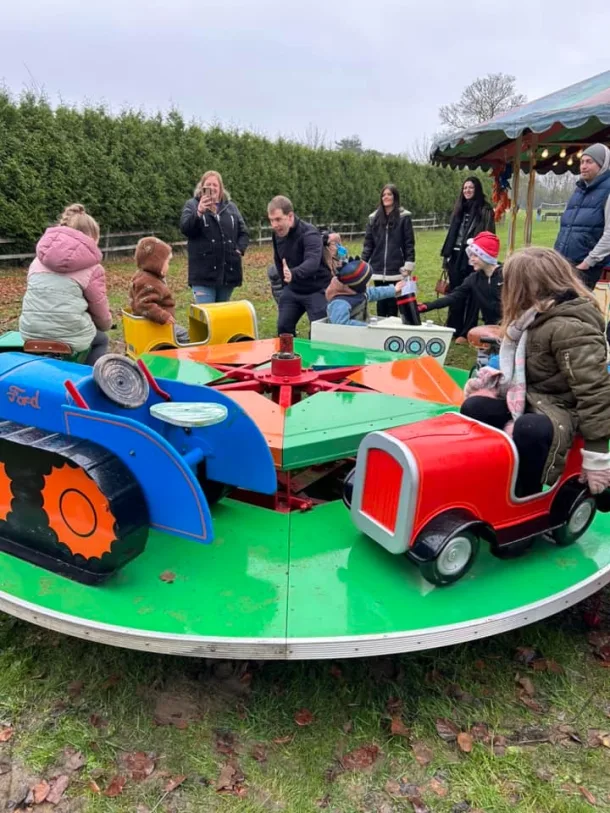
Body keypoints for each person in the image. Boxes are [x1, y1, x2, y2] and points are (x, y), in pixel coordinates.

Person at [461, 247, 610, 497]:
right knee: (475, 407)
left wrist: (597, 455)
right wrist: (490, 379)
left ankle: (525, 496)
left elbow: (595, 391)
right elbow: (518, 364)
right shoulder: (530, 319)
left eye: (508, 283)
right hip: (533, 399)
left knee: (530, 428)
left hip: (563, 410)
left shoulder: (569, 329)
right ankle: (490, 473)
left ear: (526, 287)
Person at [19, 203, 112, 365]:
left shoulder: (37, 260)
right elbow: (100, 309)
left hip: (30, 330)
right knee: (101, 339)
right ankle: (89, 379)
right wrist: (106, 324)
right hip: (70, 334)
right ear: (90, 237)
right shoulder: (92, 268)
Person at [179, 170, 249, 304]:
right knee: (207, 315)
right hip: (203, 274)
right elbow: (185, 228)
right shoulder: (192, 205)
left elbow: (243, 232)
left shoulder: (231, 207)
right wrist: (199, 212)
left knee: (221, 316)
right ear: (202, 187)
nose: (212, 188)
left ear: (221, 188)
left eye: (215, 185)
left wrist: (239, 249)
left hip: (228, 273)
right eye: (208, 185)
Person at [440, 177, 495, 342]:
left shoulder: (485, 210)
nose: (467, 191)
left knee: (472, 294)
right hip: (455, 257)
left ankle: (467, 331)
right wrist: (446, 259)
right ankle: (454, 327)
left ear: (477, 189)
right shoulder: (459, 209)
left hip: (473, 256)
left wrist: (484, 258)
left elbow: (489, 235)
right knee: (456, 292)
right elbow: (452, 235)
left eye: (470, 188)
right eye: (465, 188)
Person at [268, 196, 331, 336]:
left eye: (278, 219)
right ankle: (289, 356)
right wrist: (285, 284)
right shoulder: (277, 235)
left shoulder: (310, 233)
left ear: (290, 216)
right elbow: (278, 259)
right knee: (283, 328)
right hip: (293, 289)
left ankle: (316, 357)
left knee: (319, 332)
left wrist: (293, 273)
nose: (274, 225)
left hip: (317, 289)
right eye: (271, 220)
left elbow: (312, 262)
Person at [554, 143, 610, 290]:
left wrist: (588, 262)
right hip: (564, 264)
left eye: (589, 162)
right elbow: (566, 227)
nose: (583, 166)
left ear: (602, 165)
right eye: (582, 162)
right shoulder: (578, 191)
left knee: (576, 310)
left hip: (584, 269)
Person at [420, 232, 502, 328]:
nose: (471, 260)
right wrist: (427, 306)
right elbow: (453, 297)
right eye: (471, 255)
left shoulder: (507, 275)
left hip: (513, 326)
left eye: (475, 256)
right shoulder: (473, 279)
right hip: (490, 328)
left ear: (486, 257)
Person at [361, 184, 415, 318]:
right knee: (380, 300)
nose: (386, 197)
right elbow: (368, 244)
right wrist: (363, 263)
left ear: (395, 197)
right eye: (384, 195)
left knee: (392, 301)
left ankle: (391, 326)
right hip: (378, 267)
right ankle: (381, 326)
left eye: (389, 194)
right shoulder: (373, 218)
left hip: (396, 267)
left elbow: (409, 243)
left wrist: (408, 264)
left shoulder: (404, 217)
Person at [129, 237, 189, 344]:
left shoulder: (146, 277)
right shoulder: (147, 281)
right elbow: (144, 304)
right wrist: (163, 316)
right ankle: (183, 357)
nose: (168, 266)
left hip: (155, 323)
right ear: (155, 263)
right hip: (154, 324)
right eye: (167, 262)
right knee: (185, 335)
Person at [326, 258, 405, 326]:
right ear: (358, 284)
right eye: (367, 281)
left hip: (359, 335)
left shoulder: (355, 291)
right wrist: (367, 327)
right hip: (344, 339)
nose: (369, 283)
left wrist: (394, 289)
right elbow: (340, 324)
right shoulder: (340, 302)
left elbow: (374, 292)